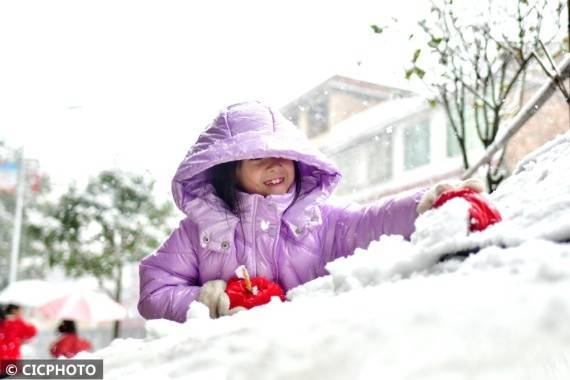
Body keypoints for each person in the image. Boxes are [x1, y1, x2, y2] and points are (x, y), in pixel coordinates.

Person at [137, 100, 483, 322]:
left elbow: (372, 222)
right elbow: (155, 289)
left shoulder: (321, 220)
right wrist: (206, 301)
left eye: (283, 154)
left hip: (305, 357)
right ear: (230, 170)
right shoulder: (201, 232)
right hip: (227, 363)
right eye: (258, 157)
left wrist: (424, 205)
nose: (275, 165)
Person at [0, 304, 37, 378]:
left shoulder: (12, 323)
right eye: (20, 310)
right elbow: (32, 332)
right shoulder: (15, 323)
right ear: (14, 310)